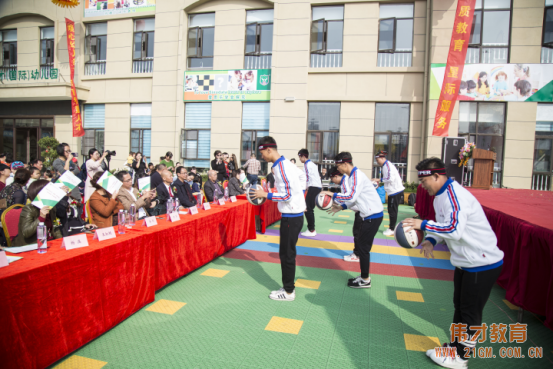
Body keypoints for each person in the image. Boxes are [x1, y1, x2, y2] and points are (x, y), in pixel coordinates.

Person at [402, 157, 504, 369]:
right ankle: (454, 349)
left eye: (424, 181)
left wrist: (423, 224)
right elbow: (444, 226)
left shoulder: (455, 196)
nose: (422, 186)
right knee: (459, 308)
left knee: (469, 314)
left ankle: (461, 358)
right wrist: (430, 240)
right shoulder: (440, 195)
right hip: (465, 262)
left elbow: (454, 230)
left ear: (437, 176)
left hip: (481, 263)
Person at [252, 136, 306, 301]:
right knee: (287, 253)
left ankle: (289, 292)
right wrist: (299, 196)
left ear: (269, 149)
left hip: (291, 216)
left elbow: (287, 195)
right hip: (294, 214)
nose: (262, 157)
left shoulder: (280, 167)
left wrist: (265, 194)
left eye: (262, 153)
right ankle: (288, 286)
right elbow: (302, 178)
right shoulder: (286, 164)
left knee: (287, 254)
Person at [321, 152, 383, 288]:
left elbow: (351, 197)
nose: (338, 170)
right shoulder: (351, 177)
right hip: (369, 214)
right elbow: (353, 199)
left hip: (373, 216)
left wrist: (332, 194)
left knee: (363, 249)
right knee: (361, 247)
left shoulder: (357, 176)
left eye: (338, 166)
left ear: (345, 164)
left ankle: (365, 280)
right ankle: (364, 276)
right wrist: (341, 207)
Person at [12, 180, 66, 246]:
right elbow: (26, 233)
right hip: (33, 246)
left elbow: (55, 228)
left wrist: (61, 243)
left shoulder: (51, 207)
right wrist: (41, 218)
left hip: (50, 243)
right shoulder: (29, 209)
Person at [327, 166, 363, 263]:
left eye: (332, 179)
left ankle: (357, 255)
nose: (332, 181)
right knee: (358, 233)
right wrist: (338, 204)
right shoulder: (345, 181)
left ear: (336, 176)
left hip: (363, 212)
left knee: (358, 234)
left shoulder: (345, 182)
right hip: (360, 211)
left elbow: (349, 197)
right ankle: (358, 253)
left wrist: (332, 197)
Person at [373, 151, 405, 237]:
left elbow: (390, 178)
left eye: (377, 159)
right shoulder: (386, 165)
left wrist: (379, 180)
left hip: (395, 191)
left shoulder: (387, 166)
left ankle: (392, 229)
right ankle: (391, 228)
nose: (377, 162)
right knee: (391, 210)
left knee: (392, 211)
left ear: (383, 158)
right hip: (393, 191)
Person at [298, 149, 322, 237]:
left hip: (313, 187)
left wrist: (304, 188)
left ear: (303, 156)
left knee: (308, 208)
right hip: (316, 187)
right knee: (309, 208)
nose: (300, 159)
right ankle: (311, 229)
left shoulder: (307, 164)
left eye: (300, 157)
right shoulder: (312, 164)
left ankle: (311, 230)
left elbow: (306, 178)